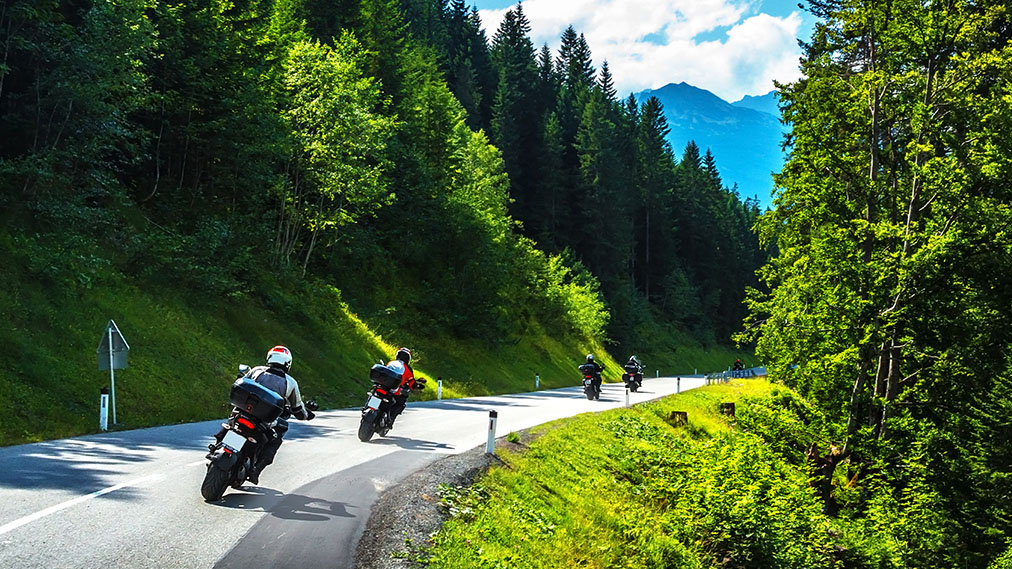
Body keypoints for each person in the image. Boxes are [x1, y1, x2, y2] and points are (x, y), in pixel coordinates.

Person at [212, 345, 315, 484]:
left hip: (243, 412)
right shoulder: (290, 382)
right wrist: (307, 415)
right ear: (288, 363)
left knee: (230, 423)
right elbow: (298, 408)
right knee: (278, 435)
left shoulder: (256, 370)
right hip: (265, 421)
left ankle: (216, 446)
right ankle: (256, 470)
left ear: (270, 357)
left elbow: (242, 382)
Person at [386, 347, 425, 425]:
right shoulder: (407, 368)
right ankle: (390, 420)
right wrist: (418, 386)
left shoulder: (390, 363)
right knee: (400, 403)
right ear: (408, 359)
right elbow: (412, 384)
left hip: (384, 385)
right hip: (395, 389)